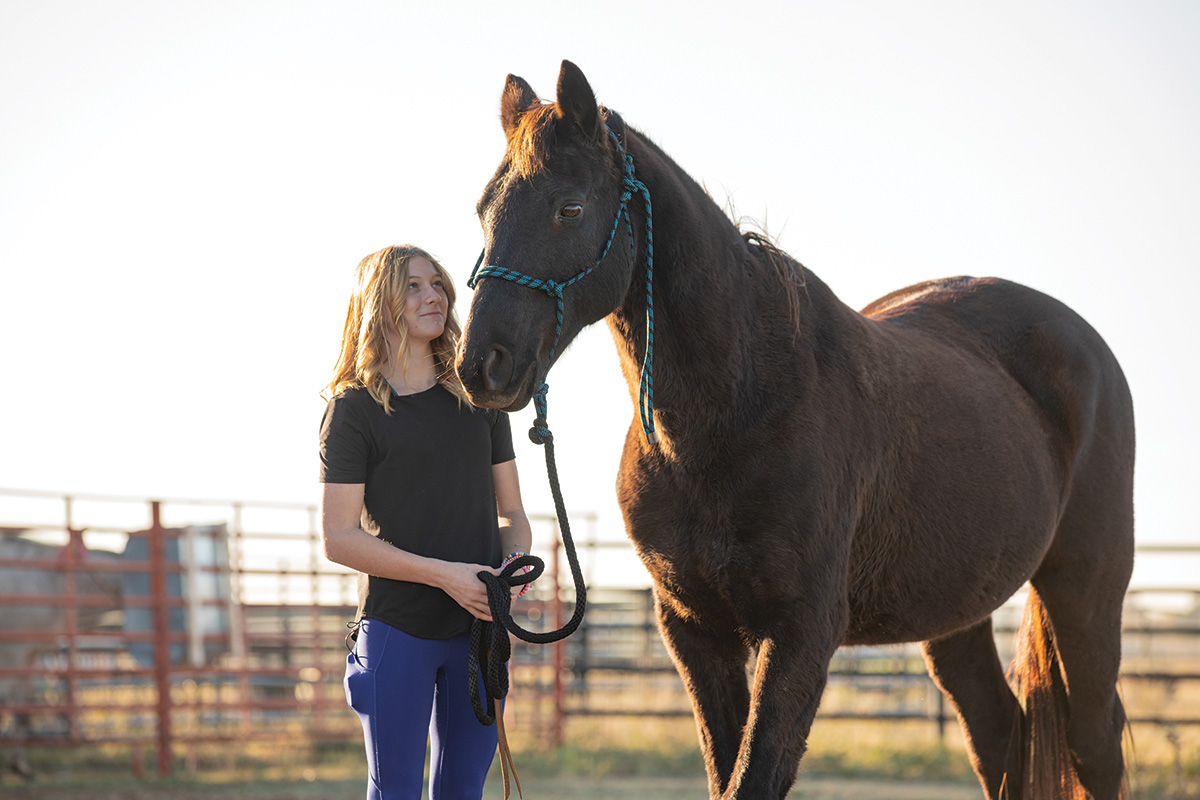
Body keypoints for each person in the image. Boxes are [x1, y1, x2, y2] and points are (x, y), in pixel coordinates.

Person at [318, 244, 532, 800]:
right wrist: (446, 575)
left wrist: (510, 569)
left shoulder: (480, 397)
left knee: (463, 790)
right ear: (380, 301)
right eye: (413, 286)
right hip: (397, 631)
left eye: (437, 284)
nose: (433, 295)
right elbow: (339, 538)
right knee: (395, 793)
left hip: (478, 630)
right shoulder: (354, 409)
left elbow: (512, 513)